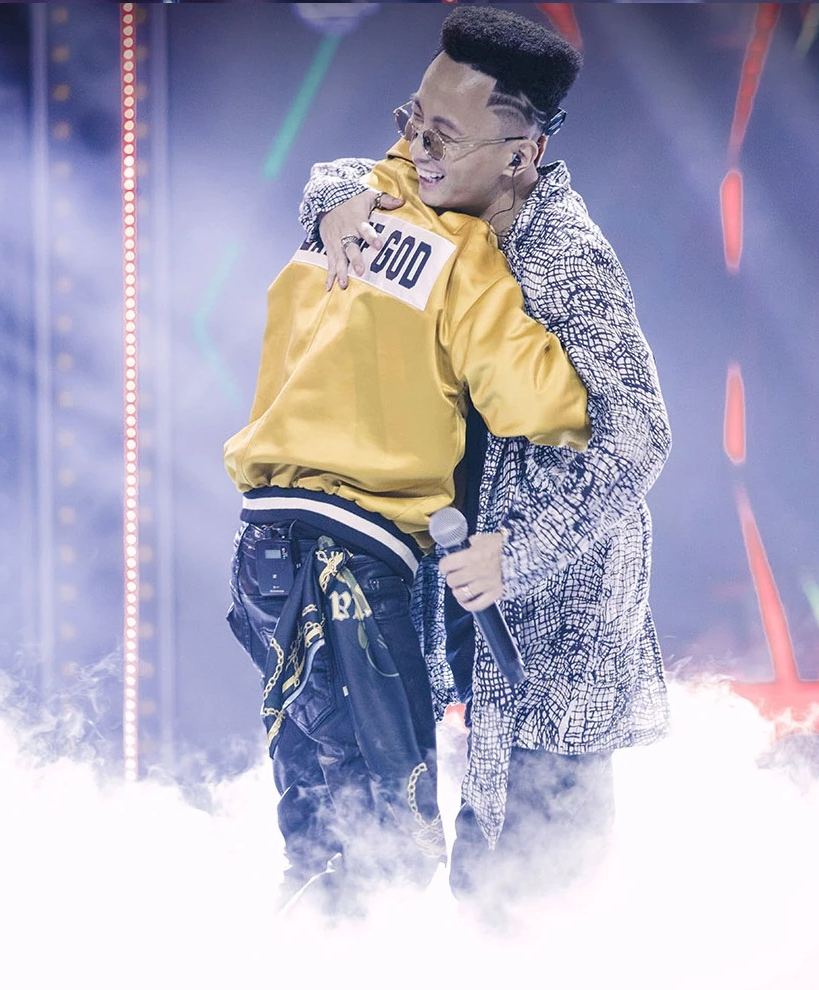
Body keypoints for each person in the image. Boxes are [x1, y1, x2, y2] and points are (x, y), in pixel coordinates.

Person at [300, 5, 672, 911]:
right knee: (398, 859)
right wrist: (334, 202)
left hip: (553, 629)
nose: (416, 149)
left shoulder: (567, 263)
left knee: (531, 896)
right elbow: (345, 179)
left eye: (443, 135)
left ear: (520, 155)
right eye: (412, 119)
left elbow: (638, 434)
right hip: (447, 599)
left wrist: (520, 550)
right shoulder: (426, 197)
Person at [223, 140, 592, 913]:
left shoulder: (342, 212)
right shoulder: (461, 251)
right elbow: (548, 405)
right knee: (392, 841)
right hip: (351, 556)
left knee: (318, 820)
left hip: (263, 548)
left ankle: (300, 950)